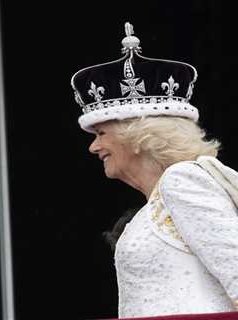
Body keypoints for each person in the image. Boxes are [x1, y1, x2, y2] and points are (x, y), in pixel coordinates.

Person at [71, 22, 238, 318]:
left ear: (136, 135)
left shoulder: (182, 179)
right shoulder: (155, 203)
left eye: (101, 134)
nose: (93, 148)